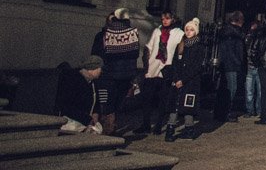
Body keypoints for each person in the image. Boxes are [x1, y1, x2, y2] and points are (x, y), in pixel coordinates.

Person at [95, 8, 141, 136]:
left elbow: (98, 54)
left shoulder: (105, 34)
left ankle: (108, 128)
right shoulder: (132, 34)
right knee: (117, 102)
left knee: (107, 102)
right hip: (125, 75)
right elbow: (135, 55)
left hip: (108, 74)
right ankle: (111, 126)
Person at [138, 11, 182, 134]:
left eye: (167, 18)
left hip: (167, 70)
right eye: (163, 19)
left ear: (172, 19)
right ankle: (146, 124)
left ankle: (158, 125)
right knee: (147, 99)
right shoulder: (157, 31)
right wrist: (146, 65)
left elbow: (180, 52)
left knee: (163, 100)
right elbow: (149, 48)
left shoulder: (178, 33)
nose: (164, 21)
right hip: (153, 69)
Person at [165, 19, 204, 142]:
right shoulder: (181, 45)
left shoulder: (199, 47)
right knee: (175, 105)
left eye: (191, 30)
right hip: (178, 80)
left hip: (190, 81)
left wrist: (184, 79)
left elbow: (196, 66)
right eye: (187, 29)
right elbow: (175, 62)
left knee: (188, 106)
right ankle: (170, 129)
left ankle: (189, 129)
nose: (188, 32)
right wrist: (176, 78)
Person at [54, 55, 102, 134]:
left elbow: (96, 102)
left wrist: (95, 113)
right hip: (73, 120)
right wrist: (87, 119)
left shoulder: (92, 83)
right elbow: (67, 106)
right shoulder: (72, 81)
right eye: (99, 68)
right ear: (92, 69)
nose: (101, 71)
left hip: (86, 120)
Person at [214, 11, 244, 122]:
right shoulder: (233, 33)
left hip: (227, 64)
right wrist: (238, 62)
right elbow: (232, 51)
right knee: (231, 89)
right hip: (231, 64)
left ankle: (221, 112)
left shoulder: (227, 31)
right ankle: (226, 112)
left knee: (225, 88)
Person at [243, 16, 263, 122]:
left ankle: (252, 110)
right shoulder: (252, 37)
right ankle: (254, 110)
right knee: (255, 90)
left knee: (251, 90)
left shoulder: (251, 37)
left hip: (253, 66)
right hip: (254, 66)